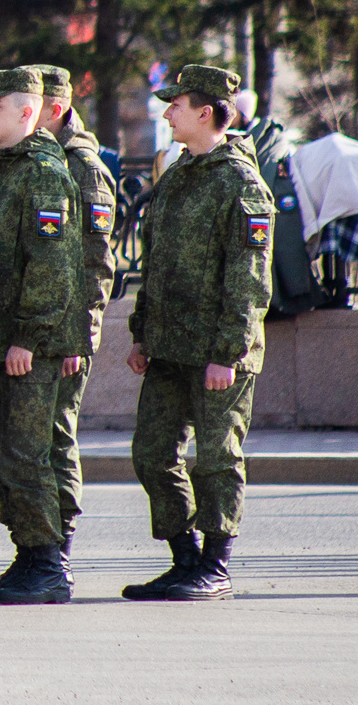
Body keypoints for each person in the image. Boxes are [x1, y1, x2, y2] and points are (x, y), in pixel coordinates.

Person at [123, 65, 274, 602]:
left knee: (216, 458)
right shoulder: (176, 173)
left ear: (205, 112)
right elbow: (156, 263)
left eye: (176, 105)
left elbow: (249, 280)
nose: (166, 113)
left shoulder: (240, 182)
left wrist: (228, 352)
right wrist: (142, 333)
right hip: (168, 347)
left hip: (217, 353)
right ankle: (183, 558)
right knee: (151, 454)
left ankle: (215, 563)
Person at [0, 67, 81, 606]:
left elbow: (51, 266)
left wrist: (28, 337)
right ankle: (29, 553)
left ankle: (46, 563)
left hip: (29, 346)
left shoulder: (44, 173)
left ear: (28, 112)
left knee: (25, 458)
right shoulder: (3, 172)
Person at [27, 64, 117, 571]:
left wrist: (77, 338)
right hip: (44, 332)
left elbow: (96, 261)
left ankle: (58, 543)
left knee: (55, 437)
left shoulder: (80, 166)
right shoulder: (38, 161)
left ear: (54, 110)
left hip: (64, 335)